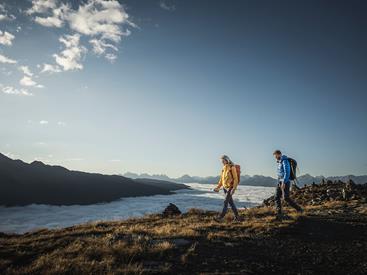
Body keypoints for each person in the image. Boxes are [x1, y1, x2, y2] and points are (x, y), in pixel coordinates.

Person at [273, 150, 303, 220]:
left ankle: (299, 209)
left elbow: (287, 172)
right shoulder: (280, 162)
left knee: (286, 198)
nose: (275, 158)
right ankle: (279, 213)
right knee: (276, 197)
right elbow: (280, 173)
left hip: (285, 182)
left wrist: (283, 182)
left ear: (279, 154)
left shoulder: (284, 161)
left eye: (275, 156)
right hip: (279, 181)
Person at [213, 155, 241, 222]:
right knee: (231, 203)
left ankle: (220, 217)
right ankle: (238, 217)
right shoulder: (223, 168)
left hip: (230, 187)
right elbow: (221, 180)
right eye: (221, 161)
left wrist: (234, 189)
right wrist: (218, 187)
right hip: (225, 188)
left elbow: (235, 179)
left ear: (227, 160)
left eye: (223, 161)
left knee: (225, 202)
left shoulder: (232, 167)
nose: (222, 162)